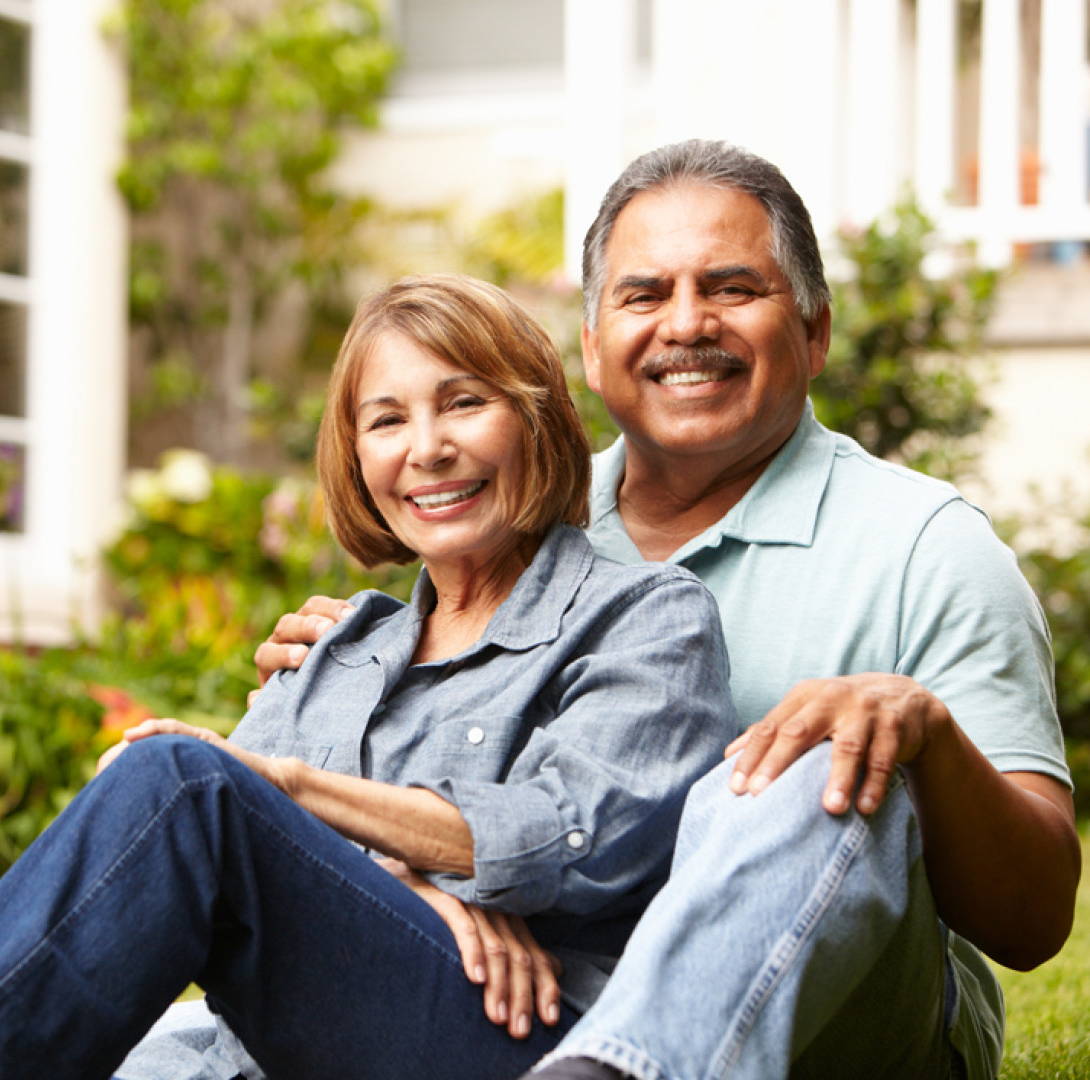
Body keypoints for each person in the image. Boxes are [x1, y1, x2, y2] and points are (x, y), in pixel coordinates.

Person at [257, 142, 1080, 1080]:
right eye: (644, 296)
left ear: (814, 331)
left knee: (811, 749)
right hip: (526, 998)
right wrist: (351, 684)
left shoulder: (927, 546)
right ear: (594, 346)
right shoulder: (506, 518)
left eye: (732, 288)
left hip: (835, 1026)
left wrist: (925, 739)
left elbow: (1035, 918)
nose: (687, 324)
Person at [0, 274, 739, 1080]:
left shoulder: (649, 616)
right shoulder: (343, 646)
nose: (429, 450)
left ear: (537, 421)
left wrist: (305, 797)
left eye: (465, 403)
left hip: (519, 1029)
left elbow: (573, 834)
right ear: (356, 454)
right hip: (286, 1047)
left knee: (186, 782)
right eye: (387, 420)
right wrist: (399, 885)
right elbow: (184, 844)